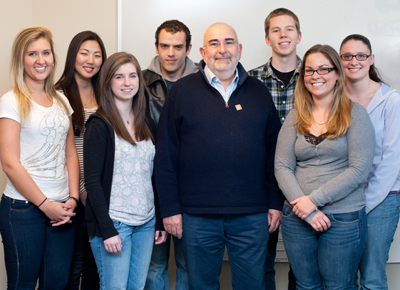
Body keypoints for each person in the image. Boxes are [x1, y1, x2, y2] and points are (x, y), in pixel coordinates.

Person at [155, 22, 283, 289]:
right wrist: (169, 209)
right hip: (196, 216)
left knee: (252, 285)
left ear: (239, 49)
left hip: (252, 214)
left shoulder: (259, 93)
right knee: (200, 286)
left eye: (229, 42)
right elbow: (165, 154)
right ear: (202, 51)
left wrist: (274, 203)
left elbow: (275, 153)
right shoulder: (181, 91)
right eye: (214, 43)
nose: (222, 50)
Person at [274, 44, 375, 290]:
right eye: (309, 70)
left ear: (337, 74)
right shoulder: (296, 115)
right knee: (306, 286)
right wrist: (305, 208)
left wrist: (314, 200)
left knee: (339, 286)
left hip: (343, 218)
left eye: (323, 69)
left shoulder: (356, 114)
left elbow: (359, 170)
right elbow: (282, 166)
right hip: (297, 217)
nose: (315, 76)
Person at [0, 25, 79, 289]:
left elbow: (70, 154)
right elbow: (10, 163)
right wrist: (45, 205)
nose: (40, 60)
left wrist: (73, 198)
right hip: (23, 209)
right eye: (32, 54)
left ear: (53, 57)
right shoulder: (11, 101)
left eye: (46, 52)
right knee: (22, 283)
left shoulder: (61, 101)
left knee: (56, 283)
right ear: (21, 60)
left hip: (63, 208)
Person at [83, 52, 166, 290]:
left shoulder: (146, 122)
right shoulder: (99, 125)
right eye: (119, 77)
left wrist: (159, 220)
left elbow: (153, 176)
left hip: (146, 222)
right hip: (115, 223)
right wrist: (107, 230)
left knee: (137, 288)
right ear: (108, 81)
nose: (127, 83)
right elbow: (92, 182)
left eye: (132, 76)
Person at [340, 34, 400, 290]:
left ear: (371, 59)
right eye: (347, 56)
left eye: (361, 55)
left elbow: (393, 158)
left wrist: (365, 204)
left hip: (383, 198)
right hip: (341, 197)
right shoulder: (331, 98)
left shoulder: (391, 100)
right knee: (340, 276)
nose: (354, 61)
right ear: (339, 60)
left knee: (372, 276)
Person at [248, 8, 301, 289]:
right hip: (262, 181)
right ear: (267, 38)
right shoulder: (249, 80)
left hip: (304, 181)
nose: (283, 35)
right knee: (260, 262)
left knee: (303, 264)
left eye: (289, 29)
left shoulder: (316, 77)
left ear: (299, 35)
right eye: (276, 30)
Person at [143, 20, 197, 290]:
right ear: (156, 47)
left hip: (192, 188)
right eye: (165, 46)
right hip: (148, 187)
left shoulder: (205, 81)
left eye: (178, 47)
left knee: (190, 264)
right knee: (154, 265)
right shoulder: (139, 82)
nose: (171, 53)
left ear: (188, 48)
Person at [56, 30, 107, 290]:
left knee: (96, 267)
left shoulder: (107, 96)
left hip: (99, 194)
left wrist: (93, 189)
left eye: (97, 55)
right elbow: (62, 152)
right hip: (69, 195)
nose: (91, 60)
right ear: (72, 56)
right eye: (84, 53)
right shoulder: (57, 96)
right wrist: (80, 190)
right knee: (70, 268)